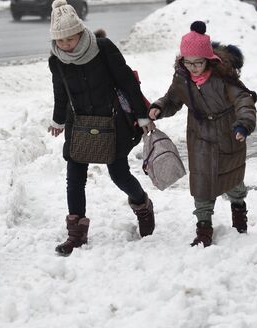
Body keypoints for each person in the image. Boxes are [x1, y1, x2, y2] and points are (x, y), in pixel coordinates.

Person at [47, 0, 155, 256]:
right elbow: (60, 92)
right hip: (79, 124)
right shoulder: (57, 60)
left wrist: (142, 115)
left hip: (112, 122)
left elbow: (127, 80)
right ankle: (76, 234)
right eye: (60, 41)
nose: (65, 45)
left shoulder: (102, 48)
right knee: (74, 179)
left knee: (118, 175)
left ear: (80, 32)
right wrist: (58, 120)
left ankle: (142, 204)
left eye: (70, 39)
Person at [148, 21, 257, 247]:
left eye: (198, 62)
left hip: (228, 131)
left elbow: (243, 100)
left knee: (232, 178)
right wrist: (159, 107)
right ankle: (204, 228)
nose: (193, 67)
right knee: (201, 181)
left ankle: (239, 211)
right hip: (199, 134)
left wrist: (244, 124)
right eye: (188, 62)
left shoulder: (223, 77)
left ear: (208, 59)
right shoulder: (182, 78)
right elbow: (172, 99)